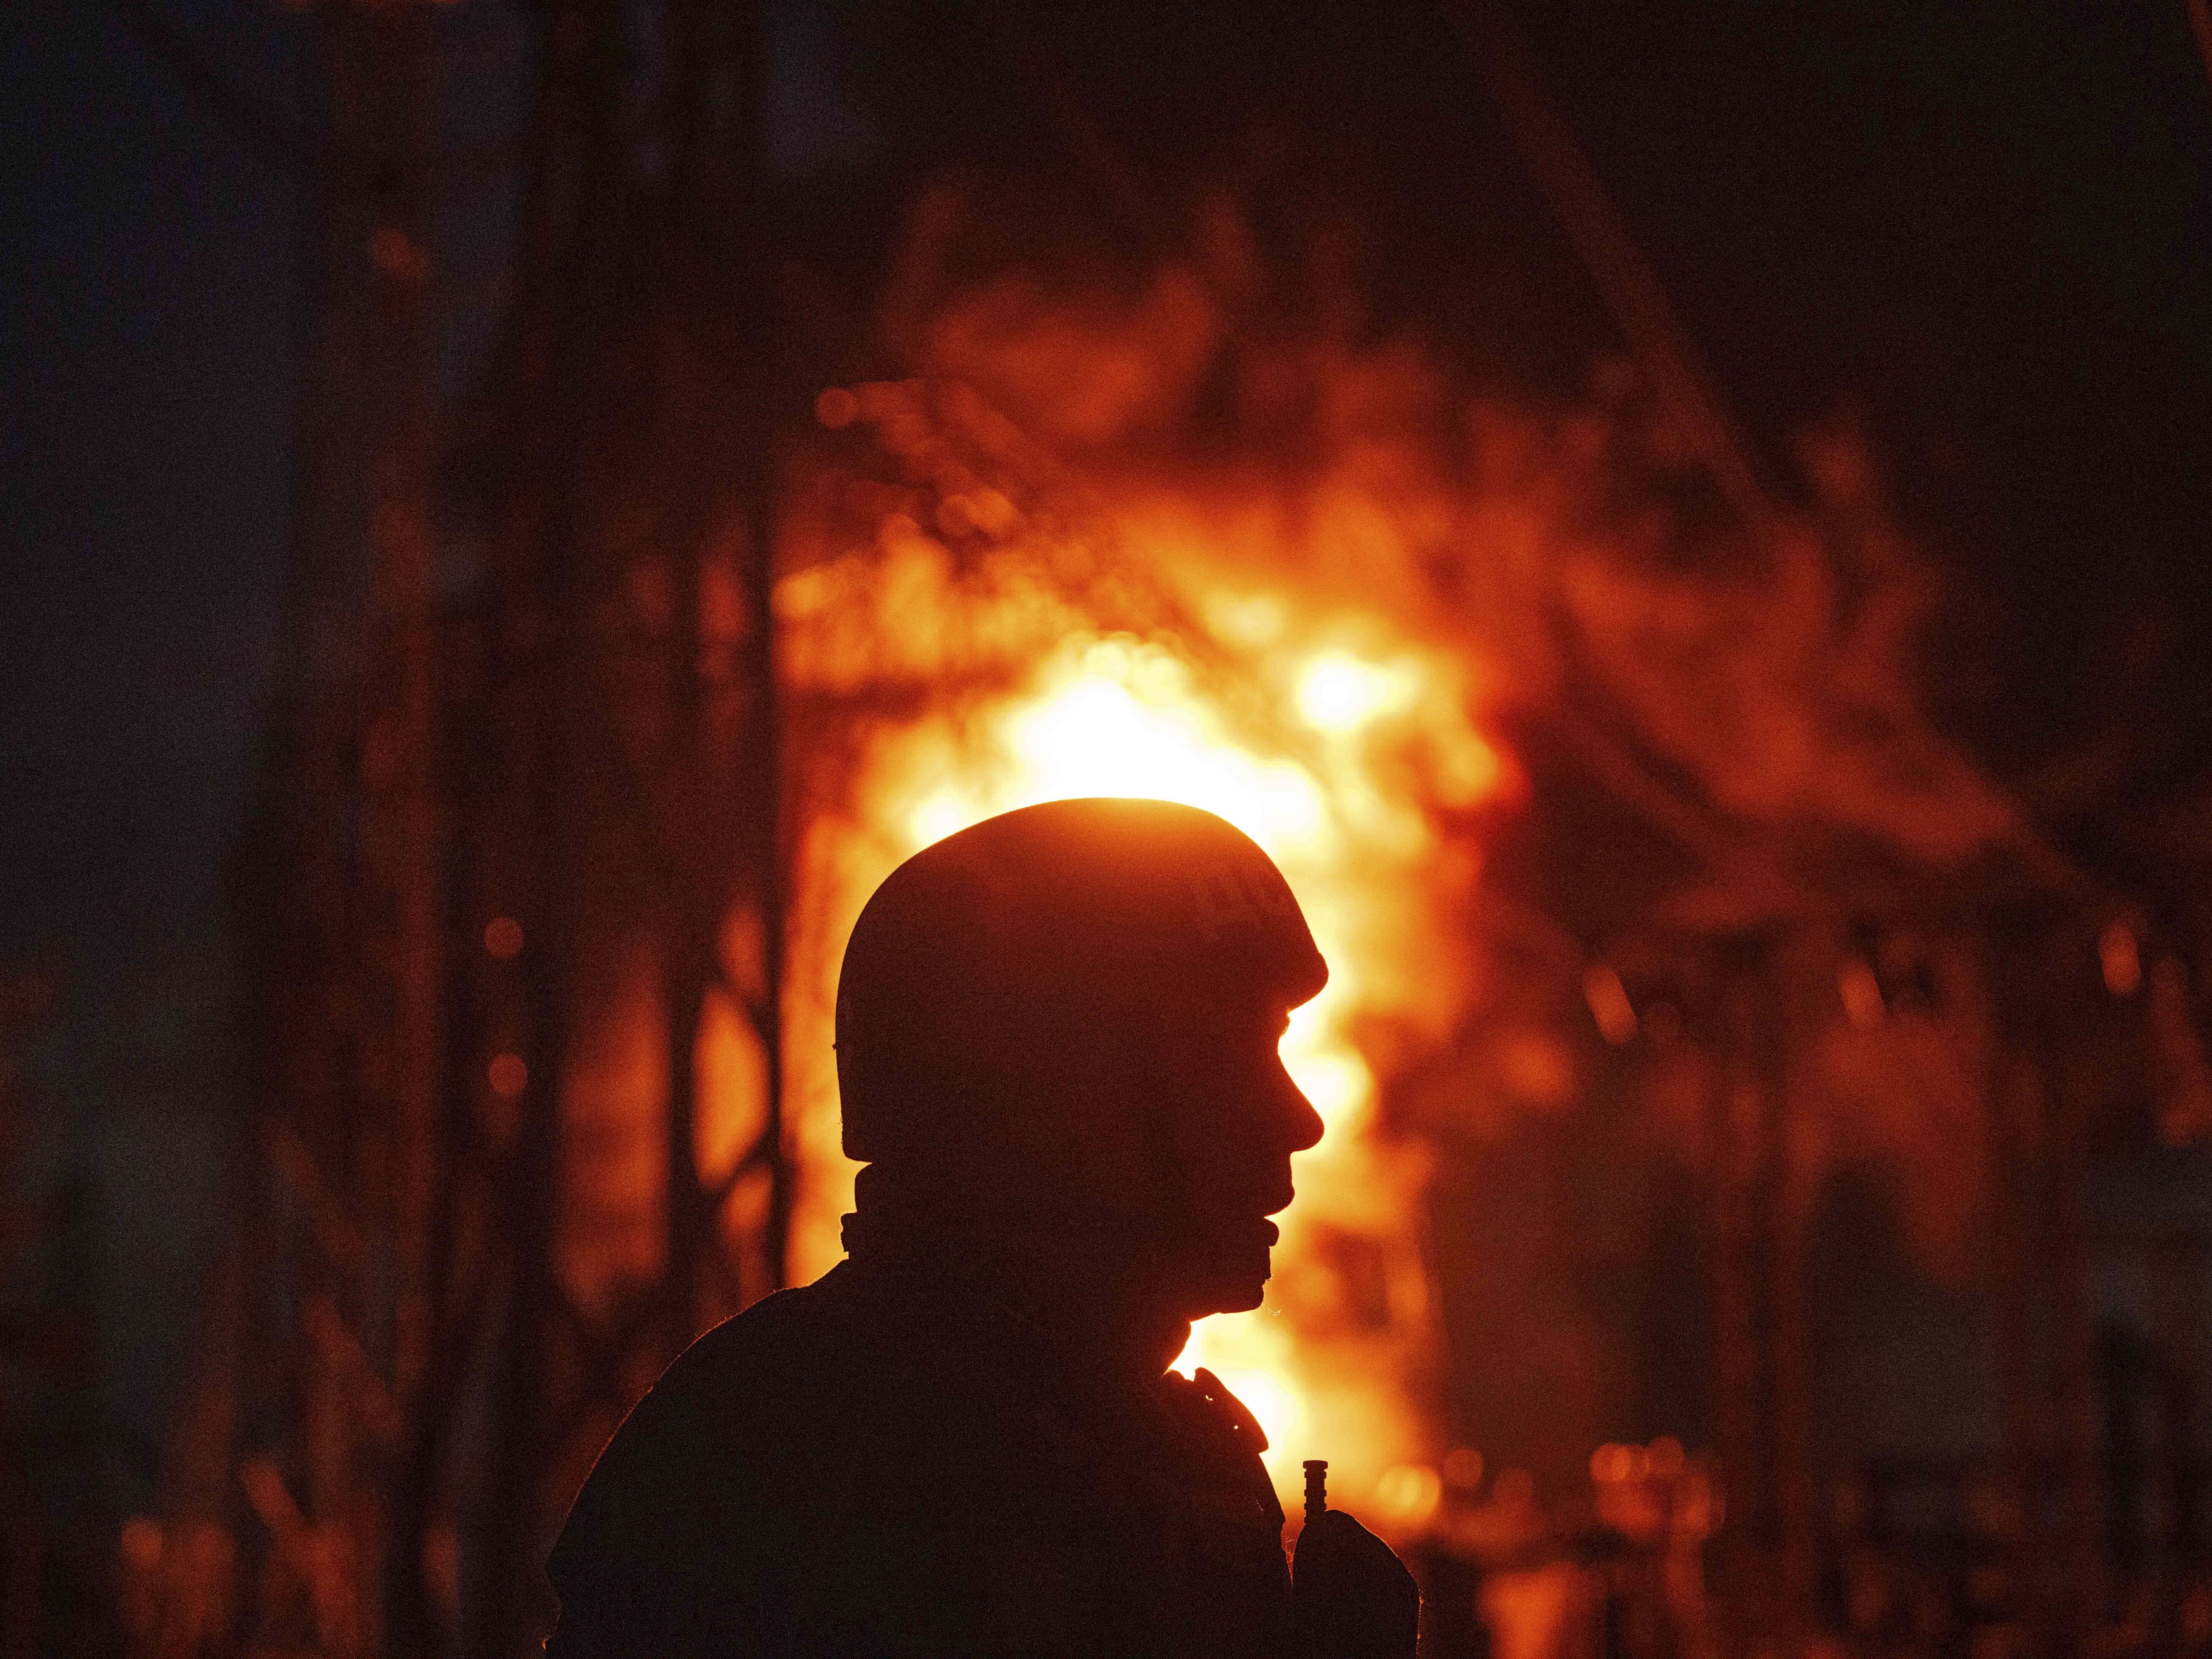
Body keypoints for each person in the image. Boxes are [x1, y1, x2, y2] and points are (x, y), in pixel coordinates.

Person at [544, 796, 1420, 1659]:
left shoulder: (1169, 1461)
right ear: (1061, 1090)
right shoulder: (778, 1452)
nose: (1300, 1120)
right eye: (1231, 1056)